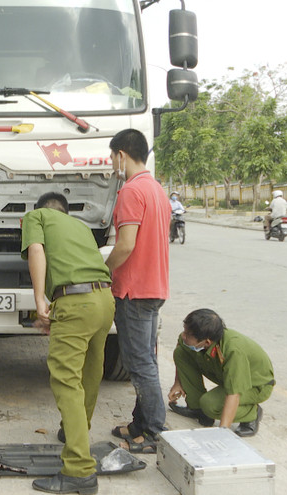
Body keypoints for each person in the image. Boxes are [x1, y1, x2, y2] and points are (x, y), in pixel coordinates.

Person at [20, 191, 114, 495]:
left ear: (43, 211)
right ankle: (76, 432)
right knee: (90, 372)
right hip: (104, 300)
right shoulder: (82, 228)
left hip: (76, 302)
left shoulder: (37, 217)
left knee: (66, 380)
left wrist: (39, 301)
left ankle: (79, 471)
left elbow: (36, 250)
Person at [105, 129, 171, 454]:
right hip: (155, 286)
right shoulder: (157, 190)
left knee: (139, 363)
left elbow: (126, 244)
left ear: (122, 155)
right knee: (147, 359)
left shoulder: (131, 191)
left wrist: (104, 269)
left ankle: (155, 432)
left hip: (134, 290)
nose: (112, 165)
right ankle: (139, 424)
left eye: (112, 157)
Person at [168, 309, 274, 437]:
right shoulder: (200, 338)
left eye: (188, 334)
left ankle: (251, 414)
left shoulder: (234, 351)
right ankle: (198, 409)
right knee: (181, 353)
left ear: (207, 342)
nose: (183, 335)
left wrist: (222, 433)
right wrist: (178, 382)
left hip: (255, 385)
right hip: (226, 375)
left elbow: (233, 393)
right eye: (184, 330)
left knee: (210, 405)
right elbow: (180, 346)